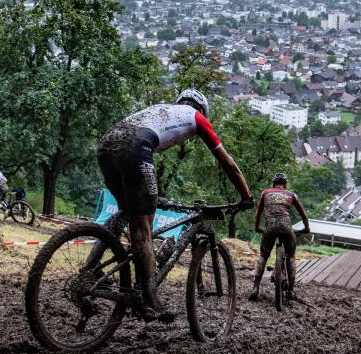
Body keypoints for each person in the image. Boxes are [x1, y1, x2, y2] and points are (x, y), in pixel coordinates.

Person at [97, 89, 253, 321]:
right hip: (135, 148)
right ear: (202, 109)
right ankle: (150, 302)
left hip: (106, 144)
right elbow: (228, 163)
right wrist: (246, 196)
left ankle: (91, 268)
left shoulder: (160, 109)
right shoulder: (196, 117)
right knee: (143, 229)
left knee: (126, 212)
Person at [249, 172, 310, 302]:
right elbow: (303, 214)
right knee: (291, 257)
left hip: (270, 227)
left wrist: (256, 228)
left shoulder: (265, 193)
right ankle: (291, 290)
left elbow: (258, 214)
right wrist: (306, 228)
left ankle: (255, 288)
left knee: (263, 256)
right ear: (285, 184)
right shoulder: (291, 194)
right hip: (287, 227)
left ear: (273, 184)